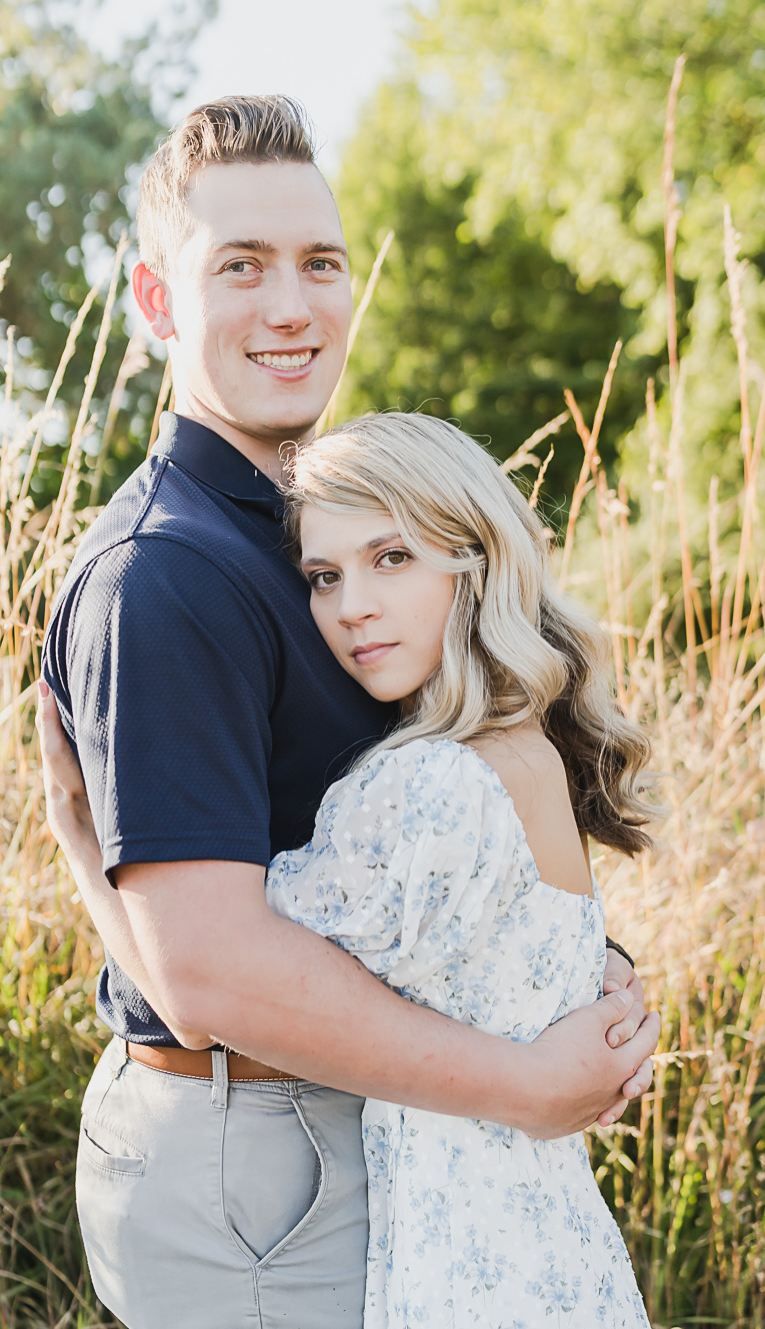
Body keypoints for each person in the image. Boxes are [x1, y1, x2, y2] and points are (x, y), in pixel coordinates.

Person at [38, 93, 660, 1328]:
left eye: (319, 263)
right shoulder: (166, 577)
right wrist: (523, 1081)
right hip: (259, 1159)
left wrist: (575, 977)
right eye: (240, 267)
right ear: (159, 303)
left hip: (372, 1132)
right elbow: (206, 968)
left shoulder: (322, 539)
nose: (291, 306)